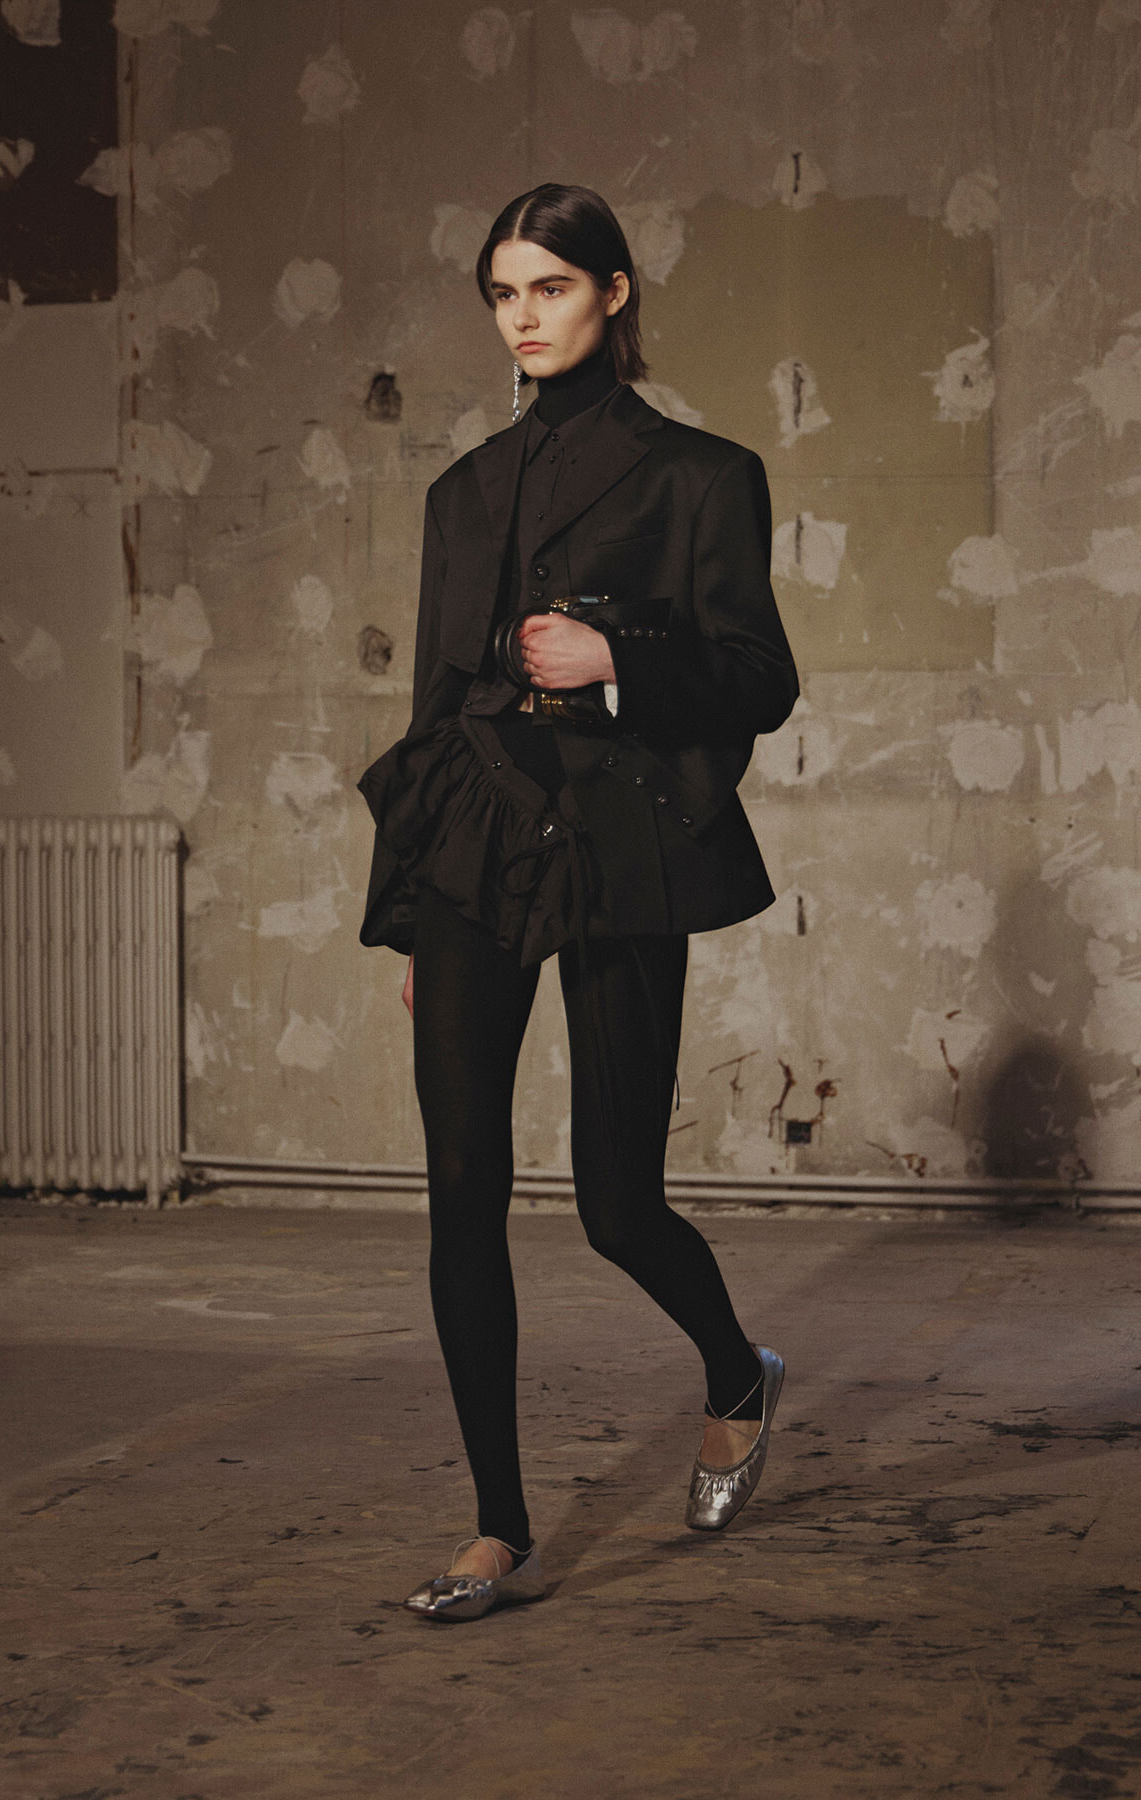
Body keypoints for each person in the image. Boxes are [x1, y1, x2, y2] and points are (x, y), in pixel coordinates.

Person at [356, 183, 799, 1622]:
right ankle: (498, 1527)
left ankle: (738, 1373)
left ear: (614, 291)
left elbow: (760, 679)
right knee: (460, 1194)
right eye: (503, 292)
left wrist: (608, 662)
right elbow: (431, 711)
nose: (523, 315)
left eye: (549, 286)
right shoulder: (461, 492)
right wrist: (412, 904)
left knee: (616, 1201)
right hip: (473, 851)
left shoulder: (702, 474)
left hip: (620, 846)